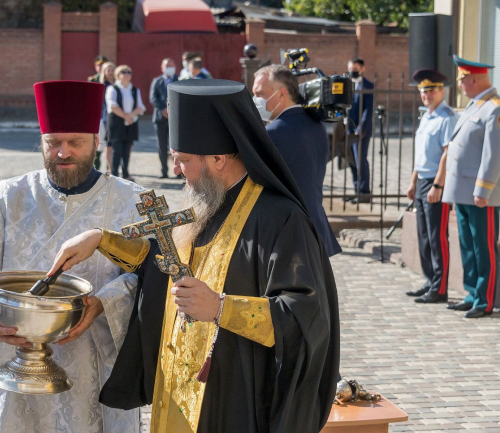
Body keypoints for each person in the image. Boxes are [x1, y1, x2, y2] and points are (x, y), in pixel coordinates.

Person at [49, 79, 340, 433]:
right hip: (175, 390)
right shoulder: (206, 203)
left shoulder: (281, 219)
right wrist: (101, 239)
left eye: (183, 160)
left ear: (218, 159)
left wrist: (220, 308)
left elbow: (304, 315)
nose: (175, 170)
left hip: (232, 399)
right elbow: (163, 259)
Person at [0, 80, 144, 432]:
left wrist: (103, 303)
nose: (63, 153)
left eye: (75, 142)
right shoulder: (6, 197)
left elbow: (155, 275)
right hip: (15, 367)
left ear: (96, 141)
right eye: (53, 143)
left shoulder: (132, 201)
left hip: (95, 369)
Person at [252, 64, 341, 257]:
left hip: (290, 232)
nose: (255, 100)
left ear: (281, 93)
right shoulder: (316, 125)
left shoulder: (274, 132)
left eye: (260, 94)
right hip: (315, 225)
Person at [442, 55, 500, 318]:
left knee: (483, 247)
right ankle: (471, 292)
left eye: (462, 80)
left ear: (474, 80)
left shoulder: (494, 108)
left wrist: (483, 190)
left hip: (480, 194)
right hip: (462, 191)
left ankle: (484, 300)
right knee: (467, 245)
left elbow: (493, 154)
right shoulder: (475, 106)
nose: (460, 85)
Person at [405, 69, 457, 304]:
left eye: (431, 91)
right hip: (423, 180)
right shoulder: (426, 116)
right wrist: (413, 181)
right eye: (423, 91)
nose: (426, 95)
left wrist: (438, 184)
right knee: (424, 236)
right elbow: (421, 155)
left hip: (437, 182)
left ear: (441, 91)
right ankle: (430, 280)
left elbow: (447, 154)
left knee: (437, 237)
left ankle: (440, 288)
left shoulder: (447, 117)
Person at [105, 65, 146, 181]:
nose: (127, 74)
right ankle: (114, 175)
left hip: (130, 123)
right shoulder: (112, 89)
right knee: (117, 151)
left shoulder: (135, 90)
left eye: (129, 72)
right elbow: (112, 105)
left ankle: (125, 173)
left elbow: (140, 107)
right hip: (116, 124)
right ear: (118, 75)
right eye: (124, 72)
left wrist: (130, 116)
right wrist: (125, 116)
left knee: (127, 150)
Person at [347, 58, 374, 203]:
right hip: (347, 130)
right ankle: (356, 191)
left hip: (360, 132)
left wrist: (360, 129)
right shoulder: (347, 85)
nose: (353, 71)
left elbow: (368, 111)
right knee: (352, 162)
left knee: (360, 161)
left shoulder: (368, 86)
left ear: (362, 69)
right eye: (350, 69)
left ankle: (364, 193)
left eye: (355, 69)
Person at [150, 58, 178, 178]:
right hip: (160, 118)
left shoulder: (179, 80)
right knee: (162, 146)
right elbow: (153, 98)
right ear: (162, 68)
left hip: (175, 119)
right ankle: (164, 171)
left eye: (171, 65)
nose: (169, 68)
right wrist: (163, 110)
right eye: (167, 66)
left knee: (176, 146)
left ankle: (178, 171)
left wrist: (172, 110)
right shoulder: (157, 81)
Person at [95, 61, 116, 172]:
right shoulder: (102, 85)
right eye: (108, 70)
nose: (111, 72)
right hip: (103, 116)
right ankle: (97, 165)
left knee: (111, 142)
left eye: (112, 70)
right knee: (102, 142)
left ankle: (110, 168)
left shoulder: (118, 84)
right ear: (104, 72)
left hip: (116, 116)